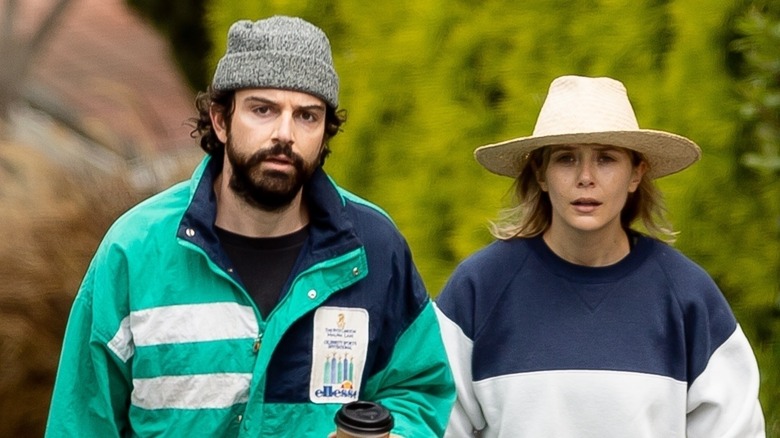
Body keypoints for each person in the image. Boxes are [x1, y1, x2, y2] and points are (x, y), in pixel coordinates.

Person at [46, 16, 454, 437]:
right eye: (263, 110)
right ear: (221, 121)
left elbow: (418, 389)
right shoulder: (135, 249)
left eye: (307, 116)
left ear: (325, 131)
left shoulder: (374, 248)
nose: (285, 134)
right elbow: (80, 421)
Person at [434, 75, 766, 437]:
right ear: (540, 174)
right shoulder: (480, 288)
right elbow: (434, 420)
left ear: (636, 174)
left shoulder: (688, 296)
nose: (586, 177)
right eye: (566, 159)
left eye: (606, 159)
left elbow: (736, 429)